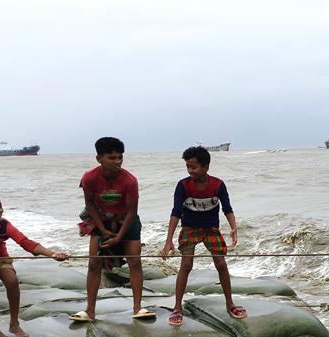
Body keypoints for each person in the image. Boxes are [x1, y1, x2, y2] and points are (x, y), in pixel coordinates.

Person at [160, 146, 245, 326]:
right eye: (188, 167)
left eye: (194, 167)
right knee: (186, 264)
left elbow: (227, 208)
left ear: (206, 167)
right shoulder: (183, 185)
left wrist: (233, 227)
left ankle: (230, 304)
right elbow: (175, 212)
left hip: (210, 229)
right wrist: (168, 241)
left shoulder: (218, 185)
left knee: (221, 263)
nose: (190, 171)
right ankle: (177, 307)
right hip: (190, 228)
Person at [0, 193, 68, 337]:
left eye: (1, 206)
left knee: (12, 281)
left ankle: (14, 324)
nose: (0, 210)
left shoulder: (4, 225)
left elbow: (25, 242)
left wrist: (52, 253)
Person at [74, 136, 148, 322]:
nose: (117, 162)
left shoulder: (129, 180)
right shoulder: (89, 177)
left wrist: (119, 237)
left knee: (135, 262)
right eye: (112, 158)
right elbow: (90, 205)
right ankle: (90, 311)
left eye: (120, 157)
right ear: (99, 158)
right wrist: (102, 230)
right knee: (94, 264)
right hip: (102, 221)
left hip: (127, 222)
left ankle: (138, 307)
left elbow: (132, 211)